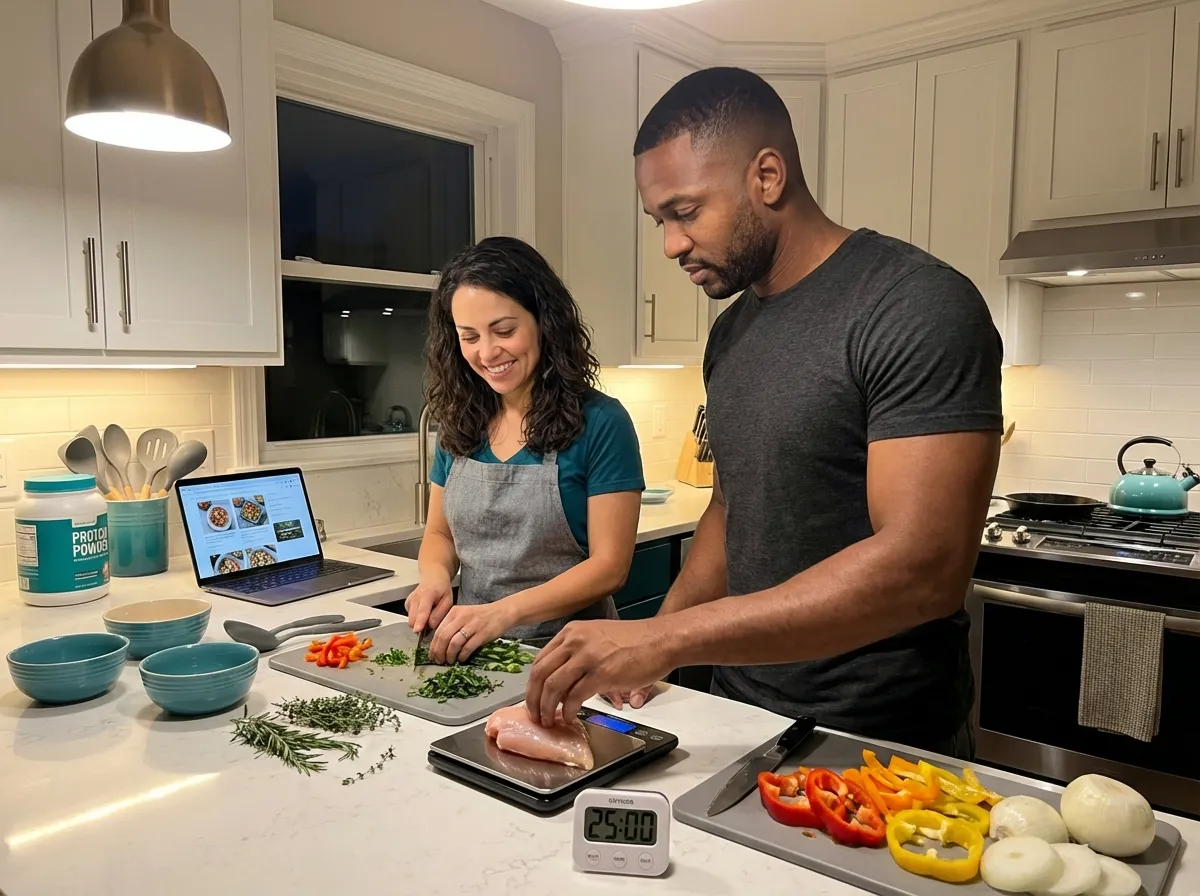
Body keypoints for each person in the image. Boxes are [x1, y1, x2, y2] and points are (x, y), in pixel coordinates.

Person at [525, 67, 1002, 759]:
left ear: (768, 176)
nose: (671, 245)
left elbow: (923, 567)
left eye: (685, 212)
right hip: (743, 719)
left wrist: (666, 639)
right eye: (660, 221)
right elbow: (730, 508)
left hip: (883, 738)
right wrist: (648, 646)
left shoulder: (915, 306)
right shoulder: (732, 332)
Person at [407, 236, 645, 664]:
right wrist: (435, 578)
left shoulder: (602, 423)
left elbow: (610, 567)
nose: (487, 352)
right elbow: (440, 534)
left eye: (504, 330)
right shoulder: (461, 421)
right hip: (473, 653)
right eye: (469, 336)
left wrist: (503, 614)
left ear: (543, 321)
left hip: (571, 659)